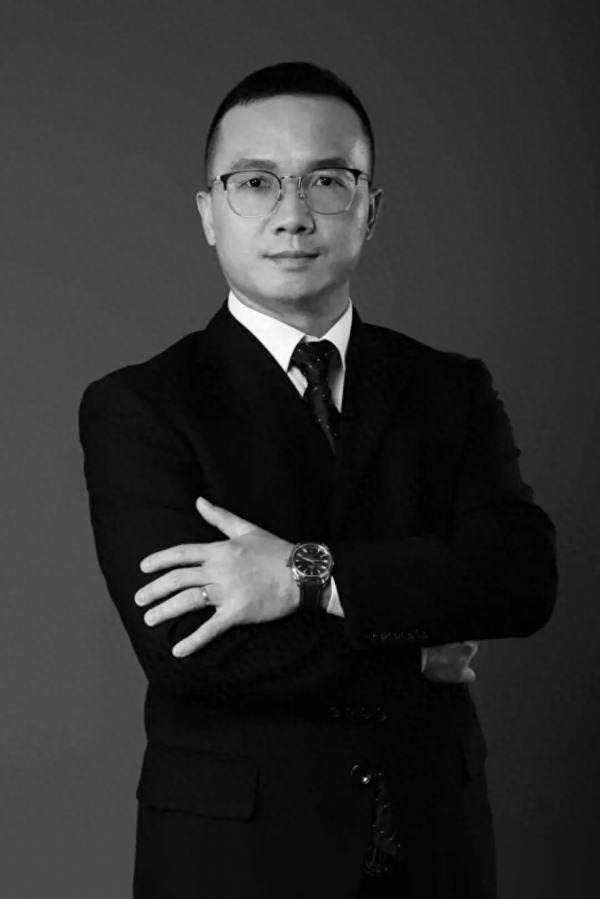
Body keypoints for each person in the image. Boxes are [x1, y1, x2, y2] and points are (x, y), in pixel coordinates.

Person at [78, 61, 558, 899]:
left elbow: (519, 578)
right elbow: (191, 648)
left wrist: (308, 573)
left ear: (372, 208)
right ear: (208, 213)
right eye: (255, 182)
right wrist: (415, 655)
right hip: (237, 861)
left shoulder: (450, 389)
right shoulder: (140, 405)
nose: (293, 214)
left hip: (434, 849)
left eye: (328, 181)